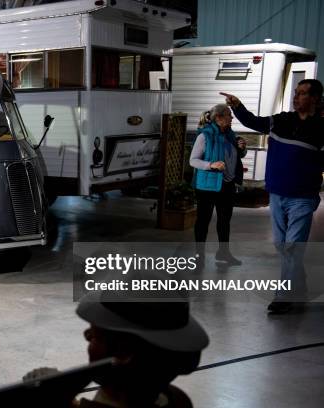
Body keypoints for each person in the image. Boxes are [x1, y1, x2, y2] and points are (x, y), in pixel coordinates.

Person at [221, 79, 324, 314]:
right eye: (296, 93)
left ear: (315, 99)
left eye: (303, 94)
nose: (297, 97)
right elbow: (253, 122)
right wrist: (237, 106)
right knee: (283, 246)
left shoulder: (321, 129)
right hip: (277, 194)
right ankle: (301, 287)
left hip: (303, 197)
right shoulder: (281, 121)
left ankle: (284, 296)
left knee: (291, 248)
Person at [24, 295, 209, 408]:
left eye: (94, 335)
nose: (86, 337)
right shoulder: (177, 399)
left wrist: (52, 400)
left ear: (123, 354)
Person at [189, 104, 247, 267]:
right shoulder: (205, 136)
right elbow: (193, 160)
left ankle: (223, 253)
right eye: (229, 115)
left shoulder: (230, 135)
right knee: (203, 221)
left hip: (227, 184)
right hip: (207, 186)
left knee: (224, 221)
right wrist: (211, 165)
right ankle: (199, 257)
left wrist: (242, 149)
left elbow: (233, 156)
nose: (232, 118)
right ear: (219, 118)